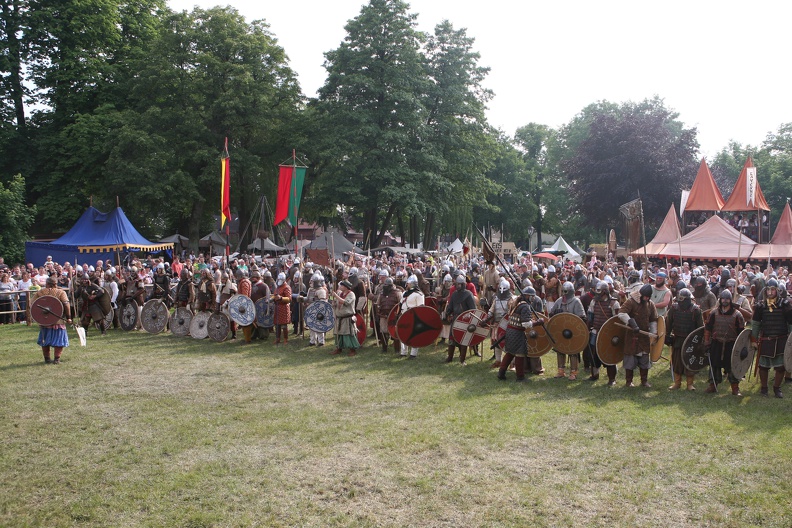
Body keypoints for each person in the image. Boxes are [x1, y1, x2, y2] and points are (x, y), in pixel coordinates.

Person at [750, 279, 792, 397]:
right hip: (766, 339)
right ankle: (764, 388)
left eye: (772, 289)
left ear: (777, 290)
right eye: (768, 289)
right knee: (763, 366)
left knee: (780, 367)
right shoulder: (760, 306)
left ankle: (777, 388)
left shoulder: (785, 304)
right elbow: (756, 324)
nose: (770, 292)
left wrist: (791, 340)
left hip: (781, 339)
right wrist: (754, 339)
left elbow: (790, 323)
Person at [704, 290, 746, 395]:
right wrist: (706, 341)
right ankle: (713, 385)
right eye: (723, 298)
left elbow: (742, 333)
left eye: (727, 299)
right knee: (714, 365)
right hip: (716, 342)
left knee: (732, 366)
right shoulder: (714, 313)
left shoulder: (737, 315)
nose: (725, 301)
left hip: (731, 344)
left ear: (730, 300)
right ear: (720, 299)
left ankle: (735, 388)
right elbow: (708, 328)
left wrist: (741, 346)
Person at [497, 286, 542, 382]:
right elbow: (525, 324)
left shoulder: (517, 303)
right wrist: (537, 322)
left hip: (510, 331)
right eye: (532, 296)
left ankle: (501, 373)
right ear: (528, 296)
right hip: (517, 332)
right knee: (520, 354)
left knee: (510, 353)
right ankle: (520, 377)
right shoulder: (525, 306)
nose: (533, 298)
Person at [617, 284, 659, 388]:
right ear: (641, 294)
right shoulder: (631, 301)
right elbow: (621, 313)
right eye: (645, 297)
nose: (647, 299)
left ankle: (644, 381)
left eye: (648, 297)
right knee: (630, 359)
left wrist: (653, 333)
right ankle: (628, 381)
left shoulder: (650, 304)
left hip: (644, 336)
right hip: (632, 335)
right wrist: (632, 323)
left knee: (644, 359)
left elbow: (653, 319)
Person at [665, 288, 704, 391]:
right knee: (677, 361)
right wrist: (667, 336)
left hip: (691, 340)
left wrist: (699, 341)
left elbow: (701, 327)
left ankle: (689, 384)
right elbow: (668, 323)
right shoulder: (674, 308)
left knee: (689, 362)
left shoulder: (695, 310)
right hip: (677, 338)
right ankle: (677, 383)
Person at [586, 281, 621, 385]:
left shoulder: (614, 303)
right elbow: (590, 316)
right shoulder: (594, 302)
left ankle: (612, 379)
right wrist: (587, 329)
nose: (597, 294)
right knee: (593, 354)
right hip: (595, 331)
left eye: (599, 292)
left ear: (605, 291)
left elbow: (617, 320)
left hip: (608, 334)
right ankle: (594, 375)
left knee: (609, 355)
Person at [550, 281, 586, 380]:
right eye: (563, 291)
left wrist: (571, 319)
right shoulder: (559, 301)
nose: (564, 294)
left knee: (573, 351)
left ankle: (574, 372)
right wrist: (555, 314)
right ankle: (561, 371)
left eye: (566, 291)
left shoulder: (576, 301)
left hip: (573, 331)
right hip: (561, 330)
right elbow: (551, 314)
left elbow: (582, 317)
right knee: (560, 349)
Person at [32, 276, 72, 364]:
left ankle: (47, 359)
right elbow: (66, 305)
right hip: (58, 320)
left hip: (45, 321)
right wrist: (69, 317)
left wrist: (38, 318)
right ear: (56, 284)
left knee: (45, 339)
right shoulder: (61, 292)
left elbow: (33, 304)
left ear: (46, 284)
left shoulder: (40, 292)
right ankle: (56, 359)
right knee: (59, 340)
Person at [443, 275, 477, 364]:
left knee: (464, 339)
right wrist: (448, 312)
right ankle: (450, 357)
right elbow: (450, 307)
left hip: (465, 319)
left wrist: (468, 317)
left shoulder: (469, 294)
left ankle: (462, 359)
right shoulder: (454, 294)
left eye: (459, 284)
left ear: (463, 284)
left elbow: (473, 309)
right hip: (455, 318)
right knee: (451, 338)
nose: (458, 286)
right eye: (457, 284)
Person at [487, 279, 514, 368]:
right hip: (497, 324)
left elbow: (511, 312)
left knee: (509, 343)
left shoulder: (512, 299)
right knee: (497, 342)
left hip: (508, 324)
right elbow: (492, 309)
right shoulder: (496, 298)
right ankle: (498, 361)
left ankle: (512, 363)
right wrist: (489, 315)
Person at [330, 279, 359, 356]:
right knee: (338, 334)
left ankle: (352, 350)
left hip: (347, 318)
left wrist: (336, 296)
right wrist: (334, 303)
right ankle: (338, 348)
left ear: (346, 287)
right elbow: (338, 302)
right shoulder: (340, 294)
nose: (340, 286)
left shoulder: (351, 294)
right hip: (339, 317)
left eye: (342, 285)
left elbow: (346, 302)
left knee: (348, 334)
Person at [399, 275, 425, 359]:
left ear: (413, 284)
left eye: (408, 283)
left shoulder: (419, 294)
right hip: (403, 316)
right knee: (403, 334)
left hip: (414, 318)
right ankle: (403, 352)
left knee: (414, 335)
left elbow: (421, 309)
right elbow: (400, 304)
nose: (407, 285)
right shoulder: (404, 293)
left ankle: (413, 354)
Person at [300, 272, 328, 346]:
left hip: (318, 311)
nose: (310, 282)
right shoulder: (310, 289)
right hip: (310, 310)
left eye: (312, 281)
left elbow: (322, 303)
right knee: (311, 326)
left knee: (318, 326)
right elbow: (308, 298)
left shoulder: (321, 291)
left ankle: (321, 341)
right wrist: (302, 299)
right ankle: (312, 341)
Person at [272, 272, 292, 345]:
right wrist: (272, 299)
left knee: (284, 325)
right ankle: (278, 338)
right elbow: (274, 295)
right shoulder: (277, 287)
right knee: (277, 325)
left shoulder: (287, 287)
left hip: (284, 307)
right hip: (277, 307)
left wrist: (281, 298)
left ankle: (285, 339)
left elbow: (289, 299)